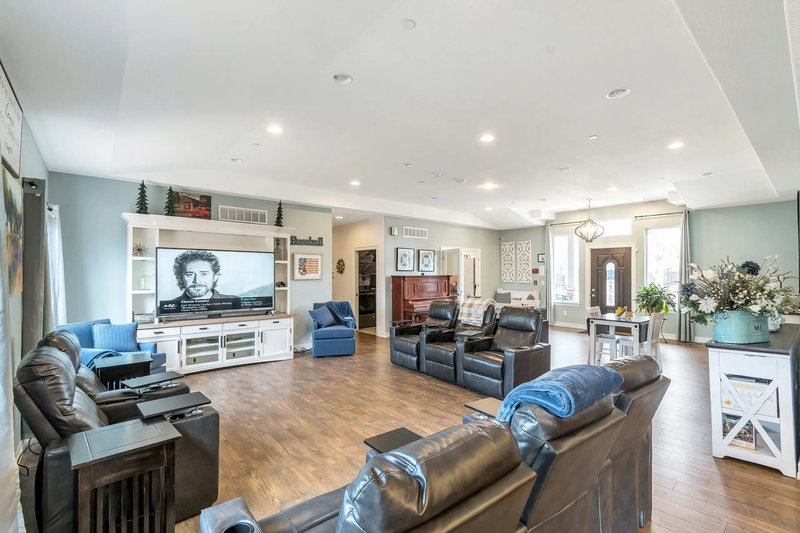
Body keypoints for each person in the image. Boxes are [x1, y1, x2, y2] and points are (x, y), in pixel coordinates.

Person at [169, 250, 234, 302]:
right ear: (180, 278)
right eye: (190, 275)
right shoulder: (169, 308)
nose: (197, 281)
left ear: (215, 277)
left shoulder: (234, 302)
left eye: (204, 274)